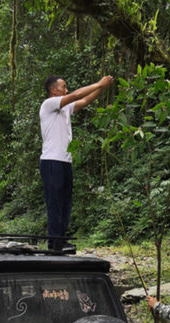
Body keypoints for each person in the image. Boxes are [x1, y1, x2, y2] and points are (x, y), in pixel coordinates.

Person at [39, 74, 114, 248]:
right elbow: (76, 95)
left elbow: (85, 101)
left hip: (65, 162)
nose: (66, 90)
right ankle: (54, 244)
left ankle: (61, 241)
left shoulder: (65, 108)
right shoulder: (49, 104)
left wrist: (101, 88)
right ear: (53, 90)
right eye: (63, 87)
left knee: (65, 203)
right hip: (51, 161)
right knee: (55, 203)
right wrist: (97, 82)